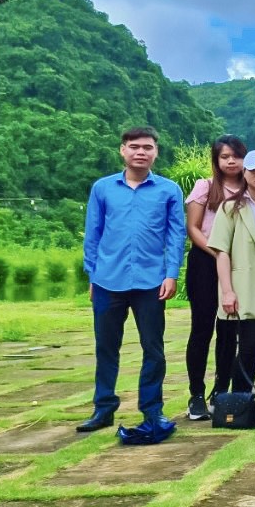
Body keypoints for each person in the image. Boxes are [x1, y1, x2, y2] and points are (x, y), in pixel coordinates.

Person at [78, 126, 185, 435]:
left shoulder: (168, 190)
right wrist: (92, 275)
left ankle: (153, 411)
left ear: (156, 153)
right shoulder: (103, 188)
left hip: (151, 282)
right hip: (108, 280)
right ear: (122, 150)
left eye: (147, 147)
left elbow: (175, 235)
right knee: (106, 347)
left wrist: (171, 274)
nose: (141, 152)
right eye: (134, 146)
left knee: (154, 349)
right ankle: (103, 408)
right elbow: (93, 234)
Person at [208, 149, 255, 411]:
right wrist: (227, 291)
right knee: (246, 346)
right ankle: (236, 400)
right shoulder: (231, 208)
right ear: (245, 173)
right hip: (242, 287)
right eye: (254, 171)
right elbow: (221, 251)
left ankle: (238, 401)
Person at [182, 134, 246, 422]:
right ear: (216, 160)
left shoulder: (251, 189)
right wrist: (217, 252)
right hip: (205, 263)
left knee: (230, 331)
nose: (231, 161)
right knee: (202, 328)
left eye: (236, 155)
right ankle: (196, 394)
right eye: (225, 156)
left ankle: (220, 392)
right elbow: (193, 228)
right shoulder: (205, 187)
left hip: (238, 268)